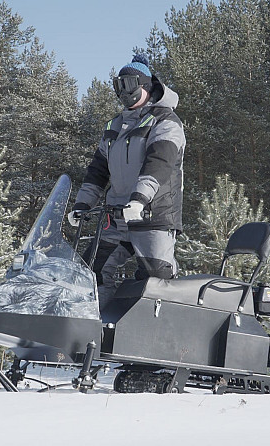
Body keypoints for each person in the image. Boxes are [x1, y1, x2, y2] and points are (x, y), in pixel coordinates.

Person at [67, 54, 186, 311]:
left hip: (153, 216)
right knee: (91, 271)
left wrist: (139, 200)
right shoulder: (115, 126)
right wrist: (83, 205)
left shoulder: (165, 121)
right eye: (118, 85)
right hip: (116, 217)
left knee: (156, 280)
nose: (123, 92)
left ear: (145, 85)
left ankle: (157, 334)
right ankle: (97, 332)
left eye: (128, 84)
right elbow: (98, 170)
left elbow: (160, 163)